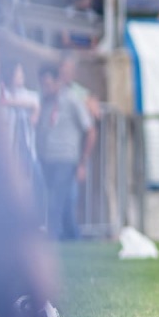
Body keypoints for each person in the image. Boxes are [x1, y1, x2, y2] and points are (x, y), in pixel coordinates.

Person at [36, 63, 96, 240]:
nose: (46, 88)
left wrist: (83, 162)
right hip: (46, 158)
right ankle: (73, 239)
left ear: (57, 82)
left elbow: (90, 130)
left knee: (56, 200)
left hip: (66, 158)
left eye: (48, 84)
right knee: (65, 205)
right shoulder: (43, 101)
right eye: (43, 84)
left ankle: (52, 240)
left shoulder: (71, 99)